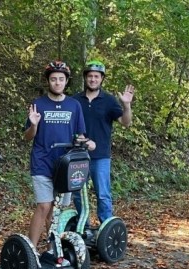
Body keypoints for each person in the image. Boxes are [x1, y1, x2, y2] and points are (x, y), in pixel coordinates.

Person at [24, 60, 95, 257]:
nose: (57, 82)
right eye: (53, 79)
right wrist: (34, 125)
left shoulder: (74, 105)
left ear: (66, 81)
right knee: (44, 205)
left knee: (57, 210)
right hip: (42, 162)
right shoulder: (38, 104)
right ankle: (30, 251)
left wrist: (88, 142)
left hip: (66, 166)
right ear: (48, 81)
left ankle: (51, 250)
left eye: (61, 79)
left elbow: (79, 135)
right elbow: (27, 136)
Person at [72, 60, 134, 232]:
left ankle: (106, 230)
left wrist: (126, 105)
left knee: (103, 195)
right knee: (78, 194)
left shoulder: (109, 100)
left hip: (101, 156)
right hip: (78, 155)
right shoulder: (75, 100)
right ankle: (83, 228)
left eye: (96, 76)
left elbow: (125, 122)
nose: (93, 79)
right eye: (90, 76)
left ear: (101, 79)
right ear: (85, 78)